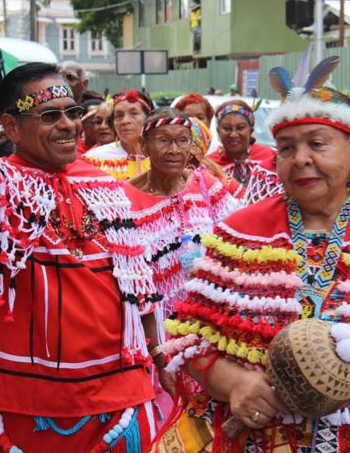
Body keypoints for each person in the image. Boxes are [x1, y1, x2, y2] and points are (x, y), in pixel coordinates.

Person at [143, 86, 350, 453]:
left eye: (317, 144)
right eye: (286, 148)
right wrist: (236, 383)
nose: (300, 160)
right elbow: (189, 342)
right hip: (255, 449)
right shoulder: (238, 235)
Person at [0, 0, 160, 453]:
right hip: (23, 408)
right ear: (11, 128)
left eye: (71, 112)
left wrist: (160, 355)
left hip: (121, 398)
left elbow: (139, 292)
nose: (67, 126)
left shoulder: (106, 186)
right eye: (49, 115)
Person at [128, 107, 240, 315]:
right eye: (163, 141)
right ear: (144, 146)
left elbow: (238, 233)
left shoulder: (204, 183)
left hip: (206, 317)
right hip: (155, 326)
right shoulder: (125, 199)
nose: (174, 150)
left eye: (182, 140)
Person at [207, 100, 283, 205]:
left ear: (251, 131)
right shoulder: (209, 165)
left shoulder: (270, 157)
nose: (233, 134)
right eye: (227, 128)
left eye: (240, 128)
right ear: (218, 131)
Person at [85, 90, 152, 179]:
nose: (125, 121)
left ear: (149, 119)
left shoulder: (162, 156)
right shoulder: (94, 158)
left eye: (134, 113)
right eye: (119, 116)